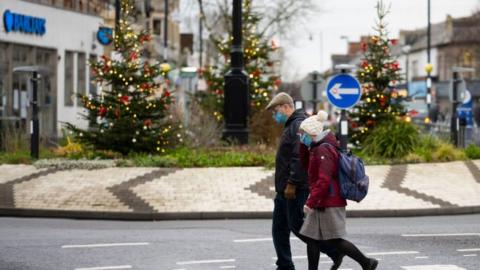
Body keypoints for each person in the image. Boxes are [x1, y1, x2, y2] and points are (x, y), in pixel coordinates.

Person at [266, 93, 343, 270]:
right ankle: (284, 264)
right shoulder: (292, 125)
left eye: (276, 111)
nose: (274, 115)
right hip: (283, 189)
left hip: (293, 188)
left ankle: (334, 251)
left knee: (298, 227)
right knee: (279, 229)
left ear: (286, 107)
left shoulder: (298, 125)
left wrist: (292, 183)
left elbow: (298, 157)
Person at [298, 110, 379, 270]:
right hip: (321, 200)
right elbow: (306, 166)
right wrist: (302, 145)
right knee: (312, 239)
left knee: (335, 239)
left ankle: (367, 262)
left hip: (329, 201)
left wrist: (310, 202)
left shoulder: (323, 150)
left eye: (303, 134)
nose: (301, 136)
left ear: (311, 133)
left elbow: (324, 179)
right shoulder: (315, 148)